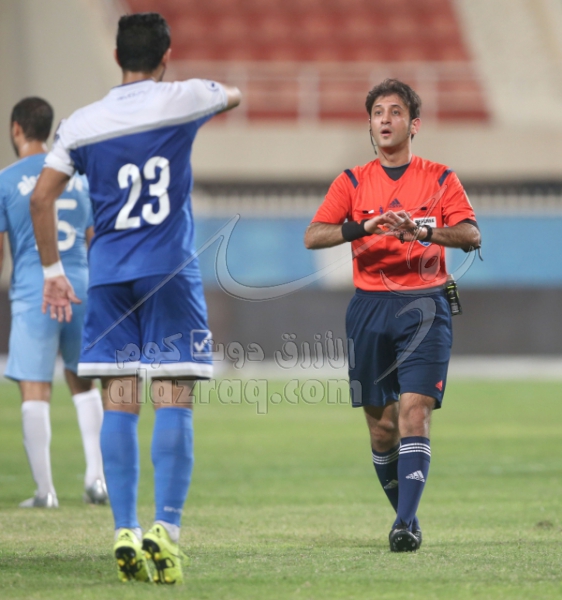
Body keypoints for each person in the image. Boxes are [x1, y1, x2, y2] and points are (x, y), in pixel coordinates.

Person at [30, 13, 241, 584]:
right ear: (165, 55)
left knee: (119, 400)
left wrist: (52, 272)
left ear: (117, 56)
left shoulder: (82, 123)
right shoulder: (183, 98)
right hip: (168, 271)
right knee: (174, 398)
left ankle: (124, 527)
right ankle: (164, 530)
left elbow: (42, 198)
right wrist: (208, 98)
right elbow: (233, 96)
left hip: (108, 277)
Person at [304, 79, 481, 552]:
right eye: (378, 112)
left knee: (414, 411)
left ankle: (403, 525)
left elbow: (471, 235)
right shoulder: (351, 181)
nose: (385, 119)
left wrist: (422, 232)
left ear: (413, 124)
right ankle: (409, 518)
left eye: (395, 112)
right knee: (381, 427)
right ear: (369, 124)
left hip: (425, 305)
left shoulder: (440, 178)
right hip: (368, 308)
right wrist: (364, 226)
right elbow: (314, 235)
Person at [0, 97, 106, 508]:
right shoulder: (77, 177)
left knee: (34, 387)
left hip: (36, 289)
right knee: (84, 383)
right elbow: (96, 240)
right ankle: (97, 480)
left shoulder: (6, 180)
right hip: (82, 287)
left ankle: (45, 492)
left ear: (16, 129)